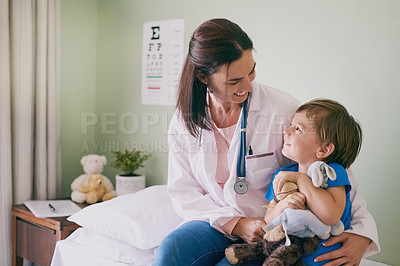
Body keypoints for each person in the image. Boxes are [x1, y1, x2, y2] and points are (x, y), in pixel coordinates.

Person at [152, 18, 379, 266]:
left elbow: (330, 170)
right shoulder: (185, 119)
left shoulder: (283, 110)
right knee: (170, 252)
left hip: (273, 231)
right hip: (215, 222)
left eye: (251, 71)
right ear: (203, 77)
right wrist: (236, 224)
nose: (248, 86)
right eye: (234, 80)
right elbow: (183, 191)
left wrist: (362, 234)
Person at [264, 99, 361, 265]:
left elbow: (330, 215)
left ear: (323, 150)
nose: (286, 131)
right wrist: (283, 205)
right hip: (290, 257)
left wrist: (302, 180)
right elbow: (268, 220)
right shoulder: (283, 174)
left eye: (298, 129)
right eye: (291, 125)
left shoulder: (332, 172)